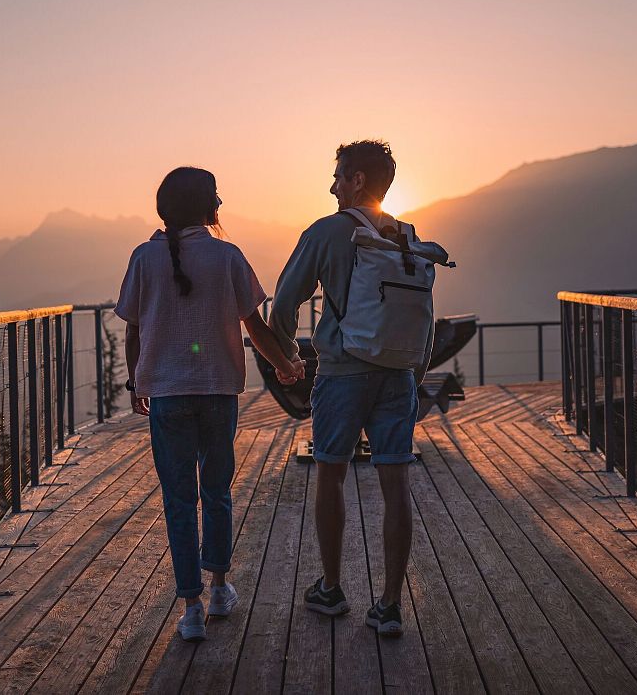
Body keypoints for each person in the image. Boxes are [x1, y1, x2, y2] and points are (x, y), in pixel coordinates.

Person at [114, 167, 304, 642]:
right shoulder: (227, 257)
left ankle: (191, 609)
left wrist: (138, 381)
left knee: (179, 501)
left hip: (166, 396)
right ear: (208, 207)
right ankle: (220, 588)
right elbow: (254, 327)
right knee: (216, 490)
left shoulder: (143, 258)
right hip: (218, 391)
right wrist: (283, 363)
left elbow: (133, 329)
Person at [270, 140, 422, 637]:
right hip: (398, 373)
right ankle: (391, 604)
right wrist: (408, 371)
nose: (332, 184)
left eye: (339, 175)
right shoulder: (404, 234)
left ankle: (332, 589)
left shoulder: (328, 232)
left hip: (341, 373)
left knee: (331, 474)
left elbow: (283, 305)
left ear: (357, 180)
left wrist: (290, 356)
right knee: (395, 481)